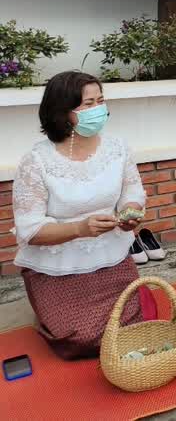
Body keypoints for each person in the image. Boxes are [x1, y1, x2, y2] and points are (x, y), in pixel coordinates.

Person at [11, 71, 154, 359]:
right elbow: (30, 230)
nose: (98, 109)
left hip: (111, 257)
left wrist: (130, 213)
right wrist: (80, 228)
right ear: (62, 112)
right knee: (82, 339)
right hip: (58, 267)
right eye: (88, 104)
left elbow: (133, 192)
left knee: (130, 329)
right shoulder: (37, 162)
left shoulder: (118, 148)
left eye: (101, 101)